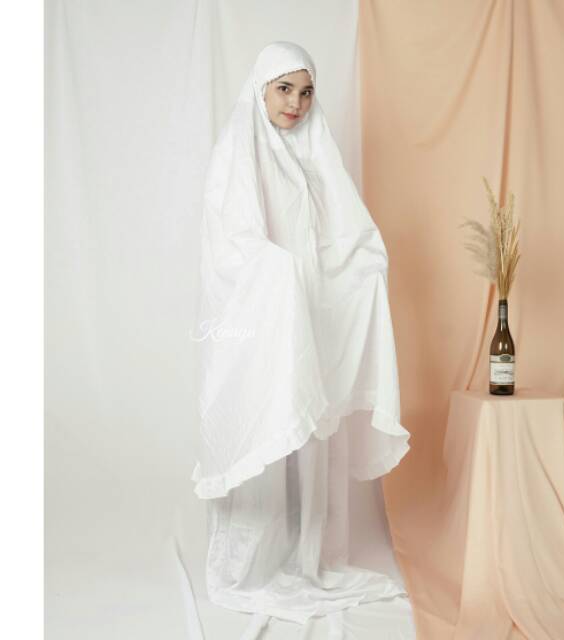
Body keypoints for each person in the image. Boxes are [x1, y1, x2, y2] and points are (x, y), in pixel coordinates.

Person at [191, 41, 411, 635]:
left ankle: (307, 557)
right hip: (263, 320)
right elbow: (230, 239)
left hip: (308, 320)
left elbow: (341, 231)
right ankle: (253, 563)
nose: (296, 102)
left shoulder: (313, 153)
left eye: (307, 91)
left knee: (311, 433)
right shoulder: (239, 150)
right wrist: (281, 275)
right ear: (261, 89)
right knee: (268, 422)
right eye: (284, 89)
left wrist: (365, 264)